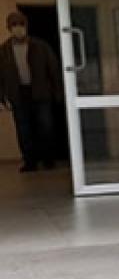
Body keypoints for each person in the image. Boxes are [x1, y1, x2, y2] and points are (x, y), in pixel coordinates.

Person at [0, 12, 61, 172]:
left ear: (26, 26)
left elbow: (53, 69)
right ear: (9, 28)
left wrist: (57, 91)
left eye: (21, 25)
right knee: (23, 130)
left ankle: (48, 159)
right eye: (14, 25)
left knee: (46, 126)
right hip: (18, 93)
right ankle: (30, 161)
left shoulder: (40, 46)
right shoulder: (4, 50)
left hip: (40, 91)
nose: (18, 29)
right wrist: (2, 98)